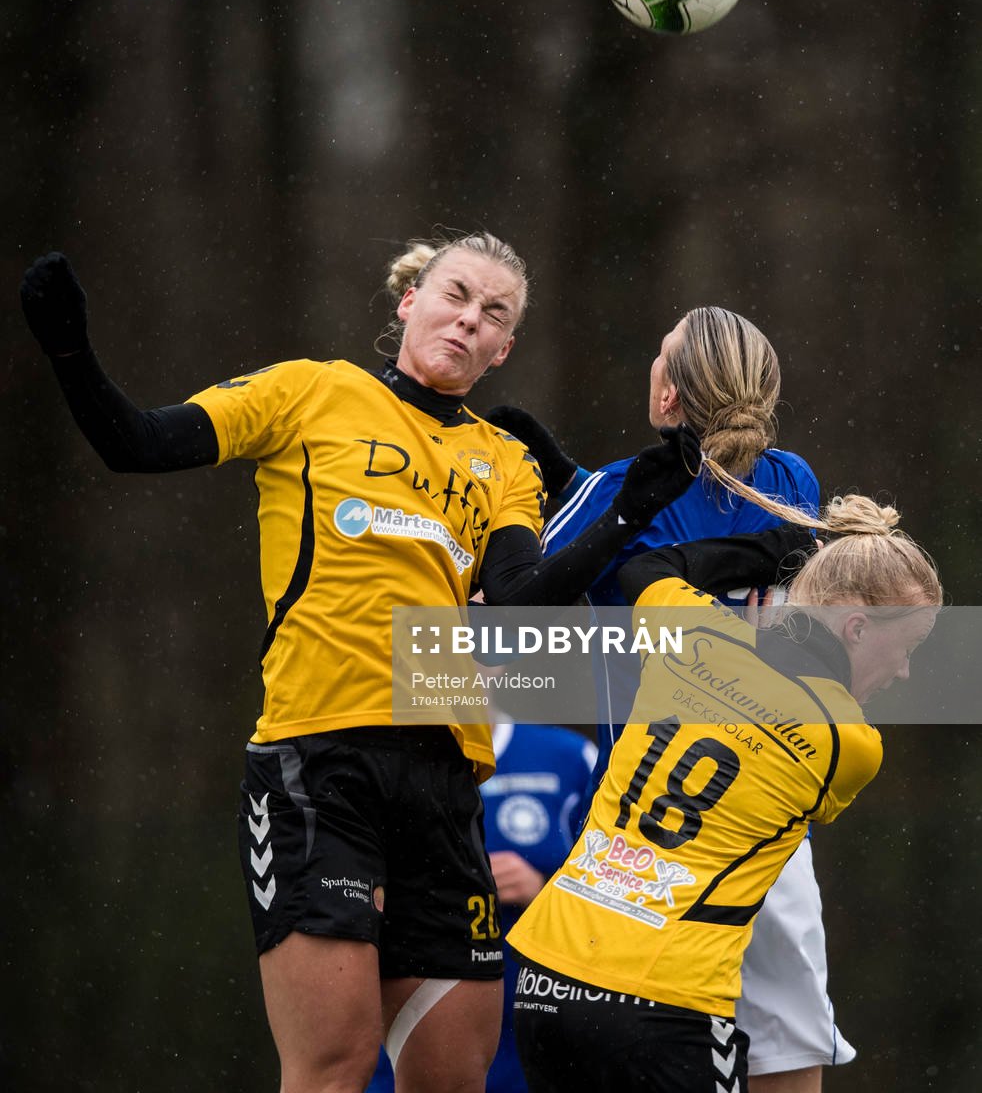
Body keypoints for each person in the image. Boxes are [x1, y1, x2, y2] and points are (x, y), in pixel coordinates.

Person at [20, 237, 701, 1093]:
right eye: (456, 294)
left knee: (455, 1080)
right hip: (321, 766)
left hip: (450, 787)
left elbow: (522, 606)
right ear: (410, 298)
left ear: (504, 350)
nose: (470, 318)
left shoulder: (501, 459)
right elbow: (137, 442)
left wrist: (626, 513)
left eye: (495, 315)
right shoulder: (310, 391)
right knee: (334, 1067)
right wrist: (70, 349)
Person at [489, 307, 847, 1091]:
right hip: (762, 825)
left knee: (628, 1054)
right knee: (789, 1049)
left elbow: (521, 609)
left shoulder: (620, 492)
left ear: (673, 398)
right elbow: (708, 515)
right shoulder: (792, 481)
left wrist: (553, 502)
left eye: (663, 358)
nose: (651, 368)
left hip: (643, 827)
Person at [508, 493, 942, 1093]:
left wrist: (766, 552)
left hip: (546, 975)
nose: (904, 672)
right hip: (663, 1002)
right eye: (909, 649)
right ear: (859, 627)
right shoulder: (851, 745)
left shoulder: (694, 634)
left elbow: (645, 570)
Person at [366, 719, 598, 1093]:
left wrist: (543, 892)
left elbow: (623, 896)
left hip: (538, 1032)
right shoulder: (379, 751)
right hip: (409, 1022)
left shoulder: (568, 757)